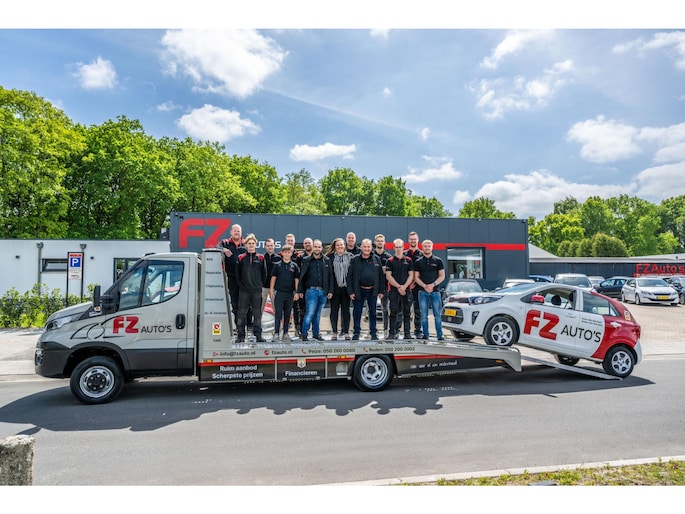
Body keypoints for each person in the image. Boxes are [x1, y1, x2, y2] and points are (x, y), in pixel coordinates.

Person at [347, 238, 384, 340]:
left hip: (372, 290)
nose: (366, 248)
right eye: (364, 246)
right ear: (361, 247)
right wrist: (350, 291)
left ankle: (373, 333)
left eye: (368, 247)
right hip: (359, 290)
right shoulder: (354, 260)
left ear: (371, 247)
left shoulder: (377, 259)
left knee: (373, 313)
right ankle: (356, 333)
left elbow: (381, 276)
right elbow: (349, 277)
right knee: (357, 312)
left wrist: (381, 290)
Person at [296, 239, 333, 341]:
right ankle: (304, 334)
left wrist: (330, 290)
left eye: (319, 247)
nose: (317, 249)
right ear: (312, 248)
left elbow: (330, 276)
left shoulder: (326, 260)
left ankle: (316, 334)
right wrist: (300, 290)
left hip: (323, 291)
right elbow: (302, 275)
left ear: (321, 248)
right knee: (310, 313)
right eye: (315, 247)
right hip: (311, 291)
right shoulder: (306, 260)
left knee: (317, 314)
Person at [235, 234, 267, 343]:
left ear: (256, 244)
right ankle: (240, 336)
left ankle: (258, 336)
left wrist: (259, 285)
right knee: (241, 314)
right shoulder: (241, 258)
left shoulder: (261, 257)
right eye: (249, 243)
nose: (251, 245)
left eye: (253, 243)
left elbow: (264, 274)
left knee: (257, 314)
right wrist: (242, 285)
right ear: (246, 245)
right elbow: (238, 274)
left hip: (256, 291)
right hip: (244, 291)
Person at [413, 239, 446, 341]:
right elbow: (416, 277)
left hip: (435, 292)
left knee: (437, 315)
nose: (427, 248)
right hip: (422, 292)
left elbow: (442, 276)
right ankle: (425, 335)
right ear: (422, 247)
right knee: (423, 315)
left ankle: (440, 335)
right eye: (425, 246)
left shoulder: (438, 261)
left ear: (432, 247)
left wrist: (432, 285)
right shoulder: (418, 262)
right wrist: (424, 286)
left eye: (429, 246)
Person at [385, 238, 415, 339]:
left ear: (403, 247)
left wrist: (404, 287)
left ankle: (407, 334)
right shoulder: (390, 261)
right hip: (394, 290)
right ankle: (391, 333)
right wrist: (398, 286)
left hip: (406, 290)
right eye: (397, 247)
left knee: (407, 312)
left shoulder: (409, 260)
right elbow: (388, 276)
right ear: (393, 248)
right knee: (393, 311)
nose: (398, 249)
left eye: (400, 247)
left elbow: (411, 275)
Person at [270, 244, 299, 342]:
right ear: (282, 253)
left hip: (290, 293)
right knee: (278, 314)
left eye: (288, 252)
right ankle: (276, 333)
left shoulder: (294, 266)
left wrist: (296, 292)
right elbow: (273, 278)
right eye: (285, 252)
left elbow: (296, 279)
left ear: (291, 253)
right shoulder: (277, 265)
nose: (287, 254)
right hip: (279, 293)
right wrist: (271, 290)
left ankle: (286, 333)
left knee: (287, 314)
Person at [218, 224, 246, 325]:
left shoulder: (246, 243)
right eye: (235, 231)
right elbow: (216, 248)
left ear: (241, 233)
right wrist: (223, 250)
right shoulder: (225, 243)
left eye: (238, 231)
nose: (236, 233)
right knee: (235, 303)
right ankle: (238, 326)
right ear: (231, 232)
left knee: (246, 303)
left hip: (245, 278)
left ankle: (247, 326)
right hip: (231, 277)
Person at [325, 238, 352, 340]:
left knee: (346, 311)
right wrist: (329, 290)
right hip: (334, 288)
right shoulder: (329, 258)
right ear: (335, 247)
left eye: (341, 245)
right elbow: (328, 275)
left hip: (346, 288)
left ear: (344, 245)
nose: (340, 247)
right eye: (337, 245)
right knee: (334, 310)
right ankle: (334, 332)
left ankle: (346, 331)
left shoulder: (350, 257)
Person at [404, 231, 423, 339]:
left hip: (418, 287)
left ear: (418, 240)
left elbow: (422, 272)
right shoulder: (404, 254)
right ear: (408, 240)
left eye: (415, 239)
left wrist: (414, 282)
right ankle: (406, 332)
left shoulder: (422, 254)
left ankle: (418, 331)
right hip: (407, 287)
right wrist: (408, 283)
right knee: (405, 310)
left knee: (418, 311)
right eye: (411, 239)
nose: (413, 241)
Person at [373, 233, 391, 337]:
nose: (380, 242)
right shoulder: (370, 255)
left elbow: (389, 272)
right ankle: (372, 331)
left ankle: (385, 330)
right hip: (372, 287)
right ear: (375, 242)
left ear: (384, 242)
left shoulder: (388, 257)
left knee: (385, 309)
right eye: (378, 241)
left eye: (381, 241)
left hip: (385, 287)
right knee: (372, 310)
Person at [261, 238, 281, 317]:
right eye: (268, 246)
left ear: (274, 246)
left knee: (277, 309)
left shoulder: (279, 258)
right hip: (263, 287)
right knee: (259, 309)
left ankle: (278, 324)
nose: (270, 247)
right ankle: (257, 324)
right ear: (265, 246)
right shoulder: (261, 258)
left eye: (271, 245)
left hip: (275, 288)